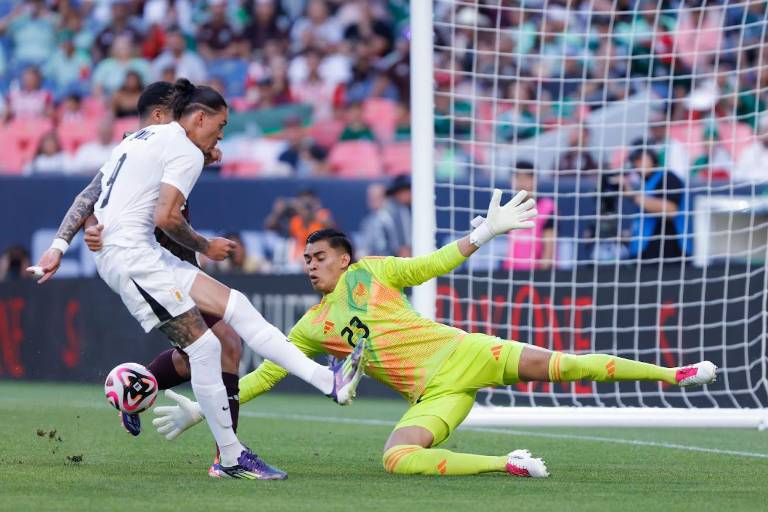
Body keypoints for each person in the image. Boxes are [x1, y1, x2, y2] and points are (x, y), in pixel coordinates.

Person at [149, 195, 716, 477]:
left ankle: (676, 374)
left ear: (345, 258)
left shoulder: (373, 271)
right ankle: (508, 464)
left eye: (319, 257)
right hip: (435, 396)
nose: (310, 265)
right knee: (396, 459)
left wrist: (482, 234)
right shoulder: (310, 325)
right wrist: (207, 408)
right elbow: (267, 375)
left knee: (565, 366)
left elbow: (433, 263)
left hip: (464, 353)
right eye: (306, 259)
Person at [32, 79, 366, 480]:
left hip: (144, 254)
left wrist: (57, 246)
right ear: (199, 117)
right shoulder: (183, 148)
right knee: (209, 348)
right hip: (133, 260)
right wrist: (207, 246)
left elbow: (92, 196)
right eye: (220, 125)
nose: (221, 135)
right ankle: (229, 457)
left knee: (235, 311)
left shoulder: (135, 139)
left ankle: (330, 382)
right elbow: (167, 218)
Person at [621, 145, 690, 261]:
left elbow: (671, 210)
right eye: (634, 160)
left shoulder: (668, 177)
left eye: (640, 158)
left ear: (652, 157)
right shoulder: (642, 183)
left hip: (668, 253)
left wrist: (634, 197)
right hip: (645, 253)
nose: (637, 164)